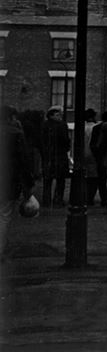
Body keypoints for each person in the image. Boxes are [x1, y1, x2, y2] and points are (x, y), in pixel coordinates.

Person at [2, 106, 37, 258]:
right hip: (8, 180)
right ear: (10, 118)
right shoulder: (16, 134)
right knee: (4, 215)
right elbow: (24, 161)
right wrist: (28, 186)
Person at [39, 106, 70, 208]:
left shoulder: (44, 125)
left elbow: (40, 142)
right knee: (60, 180)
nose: (60, 116)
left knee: (47, 180)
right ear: (52, 115)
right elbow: (66, 140)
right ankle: (58, 200)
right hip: (60, 156)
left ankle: (46, 200)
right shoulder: (62, 125)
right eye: (58, 115)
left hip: (48, 157)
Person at [91, 111, 107, 208]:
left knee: (101, 179)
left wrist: (96, 155)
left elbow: (93, 144)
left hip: (100, 157)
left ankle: (104, 198)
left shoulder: (96, 128)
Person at [82, 109, 101, 206]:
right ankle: (90, 197)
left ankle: (84, 196)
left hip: (82, 154)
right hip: (93, 154)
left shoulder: (82, 127)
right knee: (93, 178)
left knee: (84, 176)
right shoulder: (95, 127)